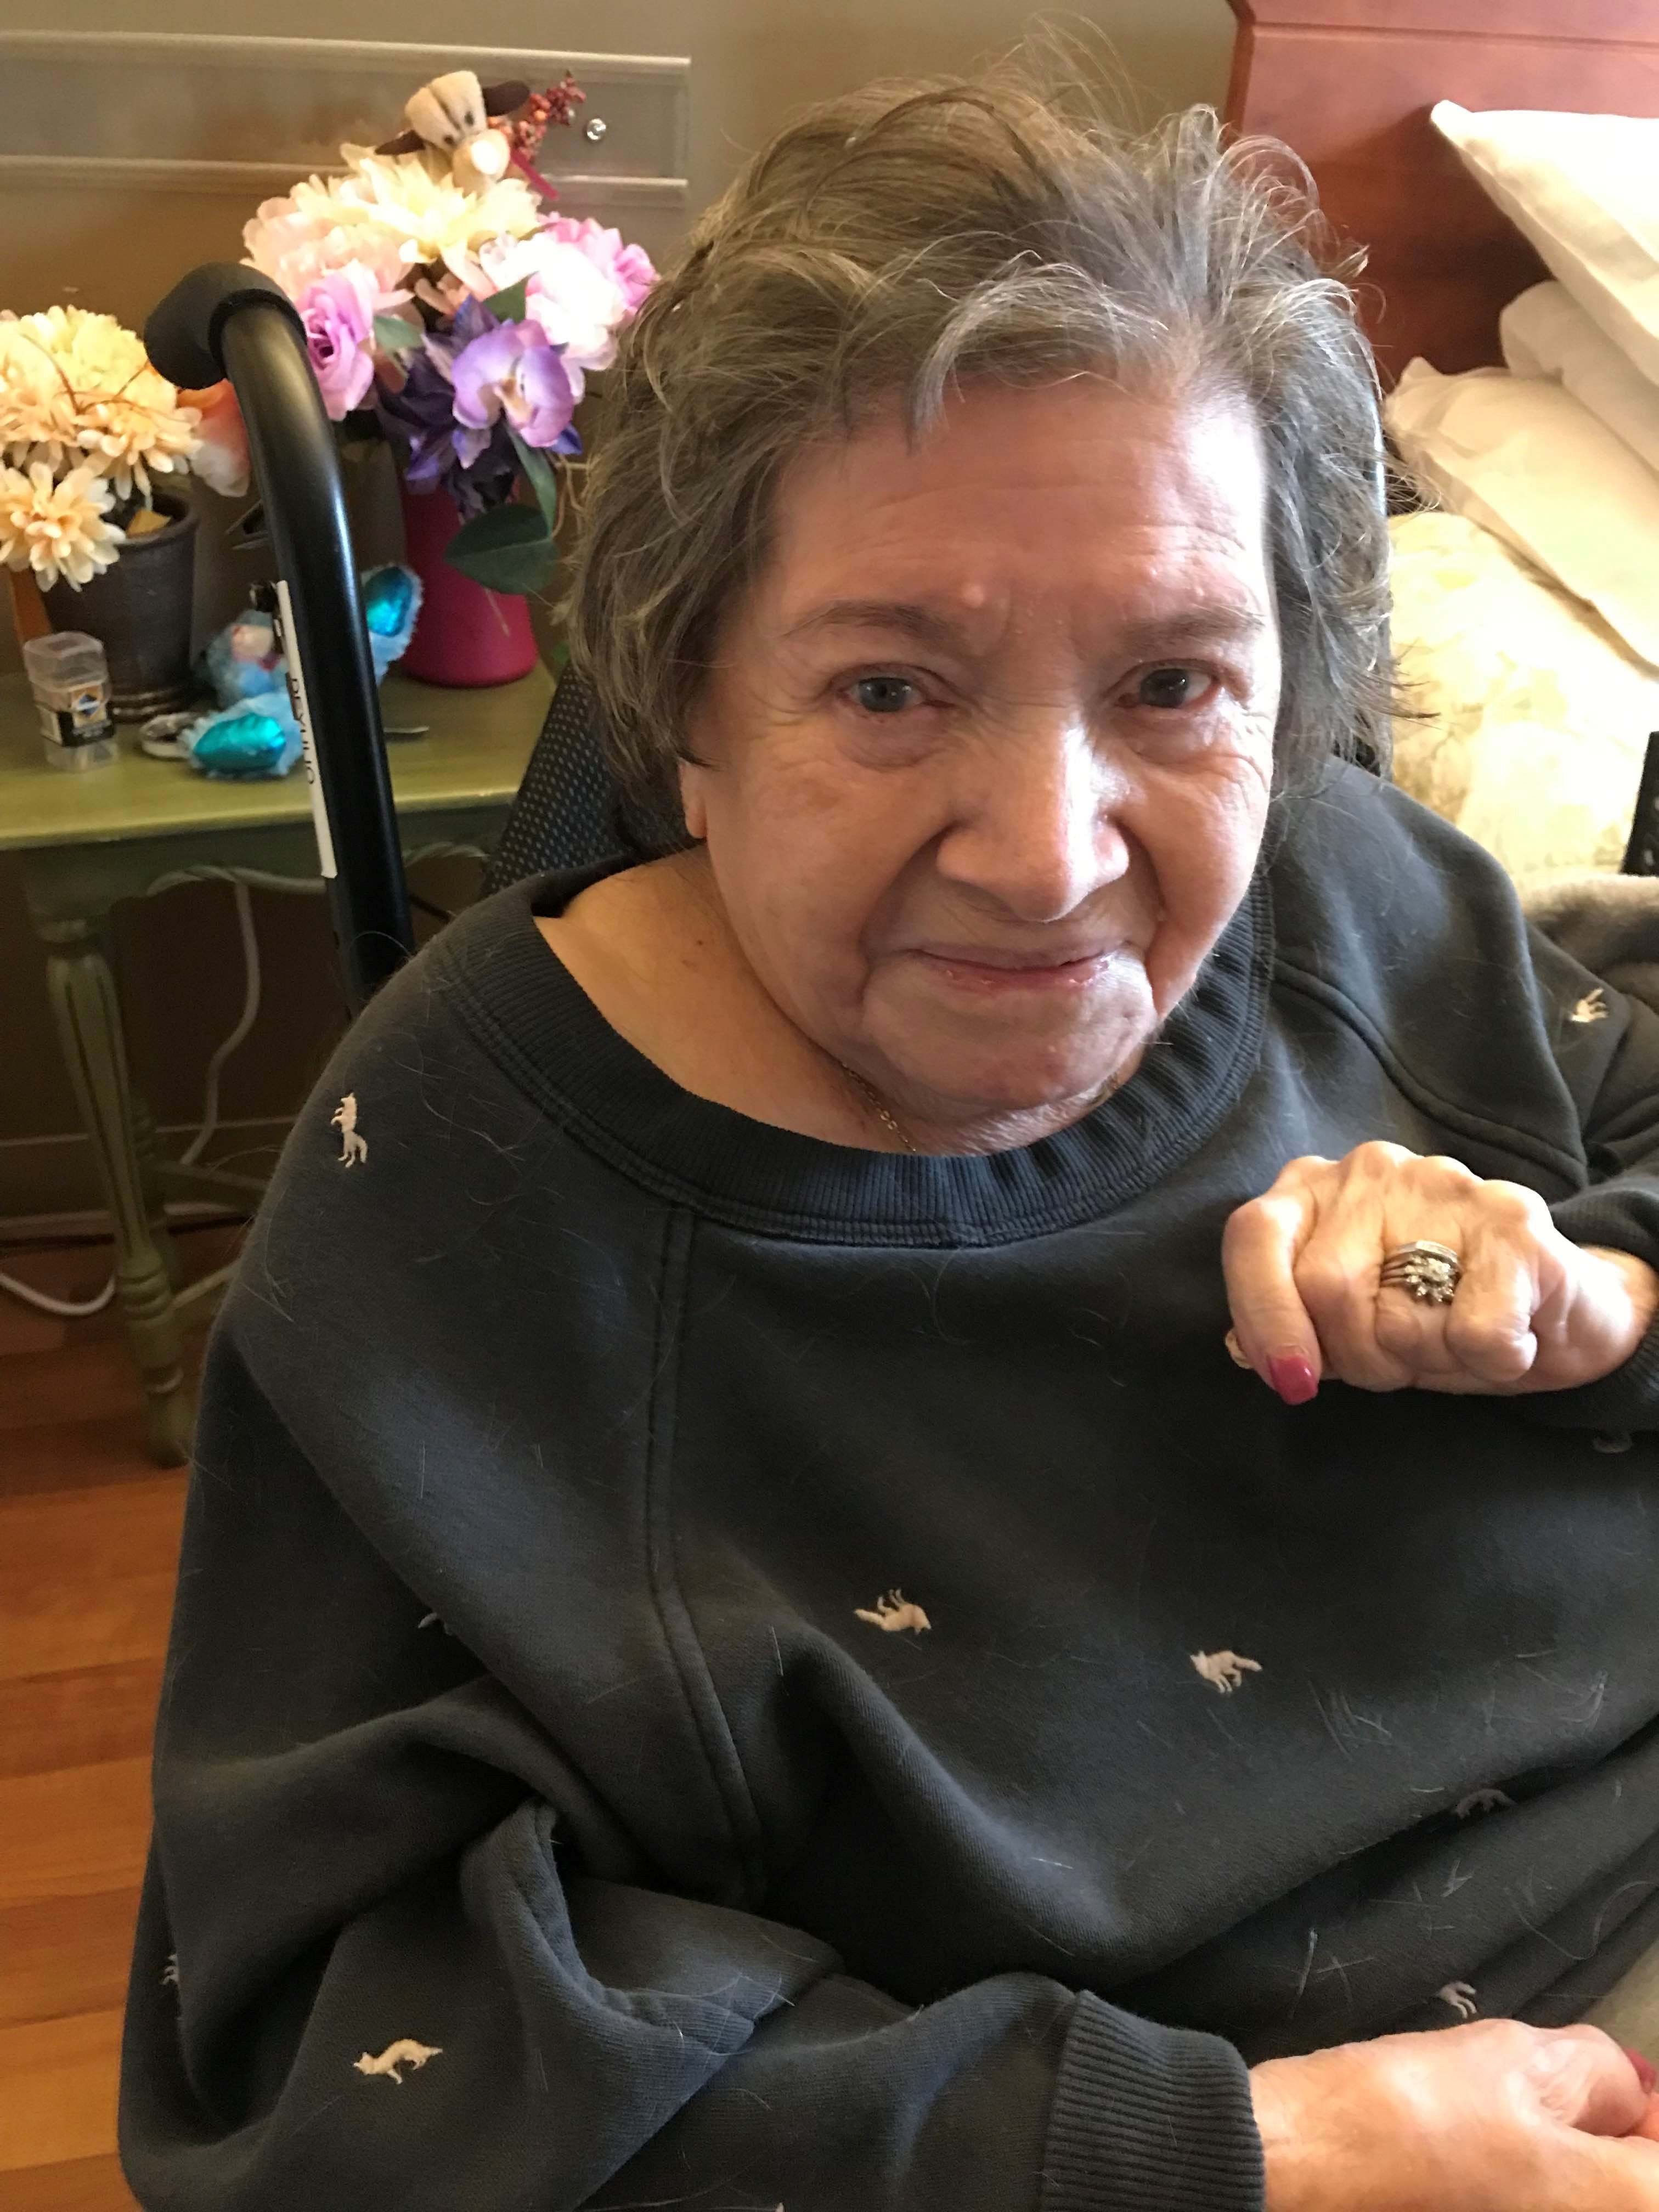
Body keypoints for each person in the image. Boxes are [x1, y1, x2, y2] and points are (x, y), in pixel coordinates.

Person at [120, 64, 1659, 2212]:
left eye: (1175, 684)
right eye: (887, 690)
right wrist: (1239, 2153)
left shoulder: (1342, 883)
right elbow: (337, 2059)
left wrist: (1599, 1296)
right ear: (686, 687)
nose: (1049, 860)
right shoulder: (474, 1196)